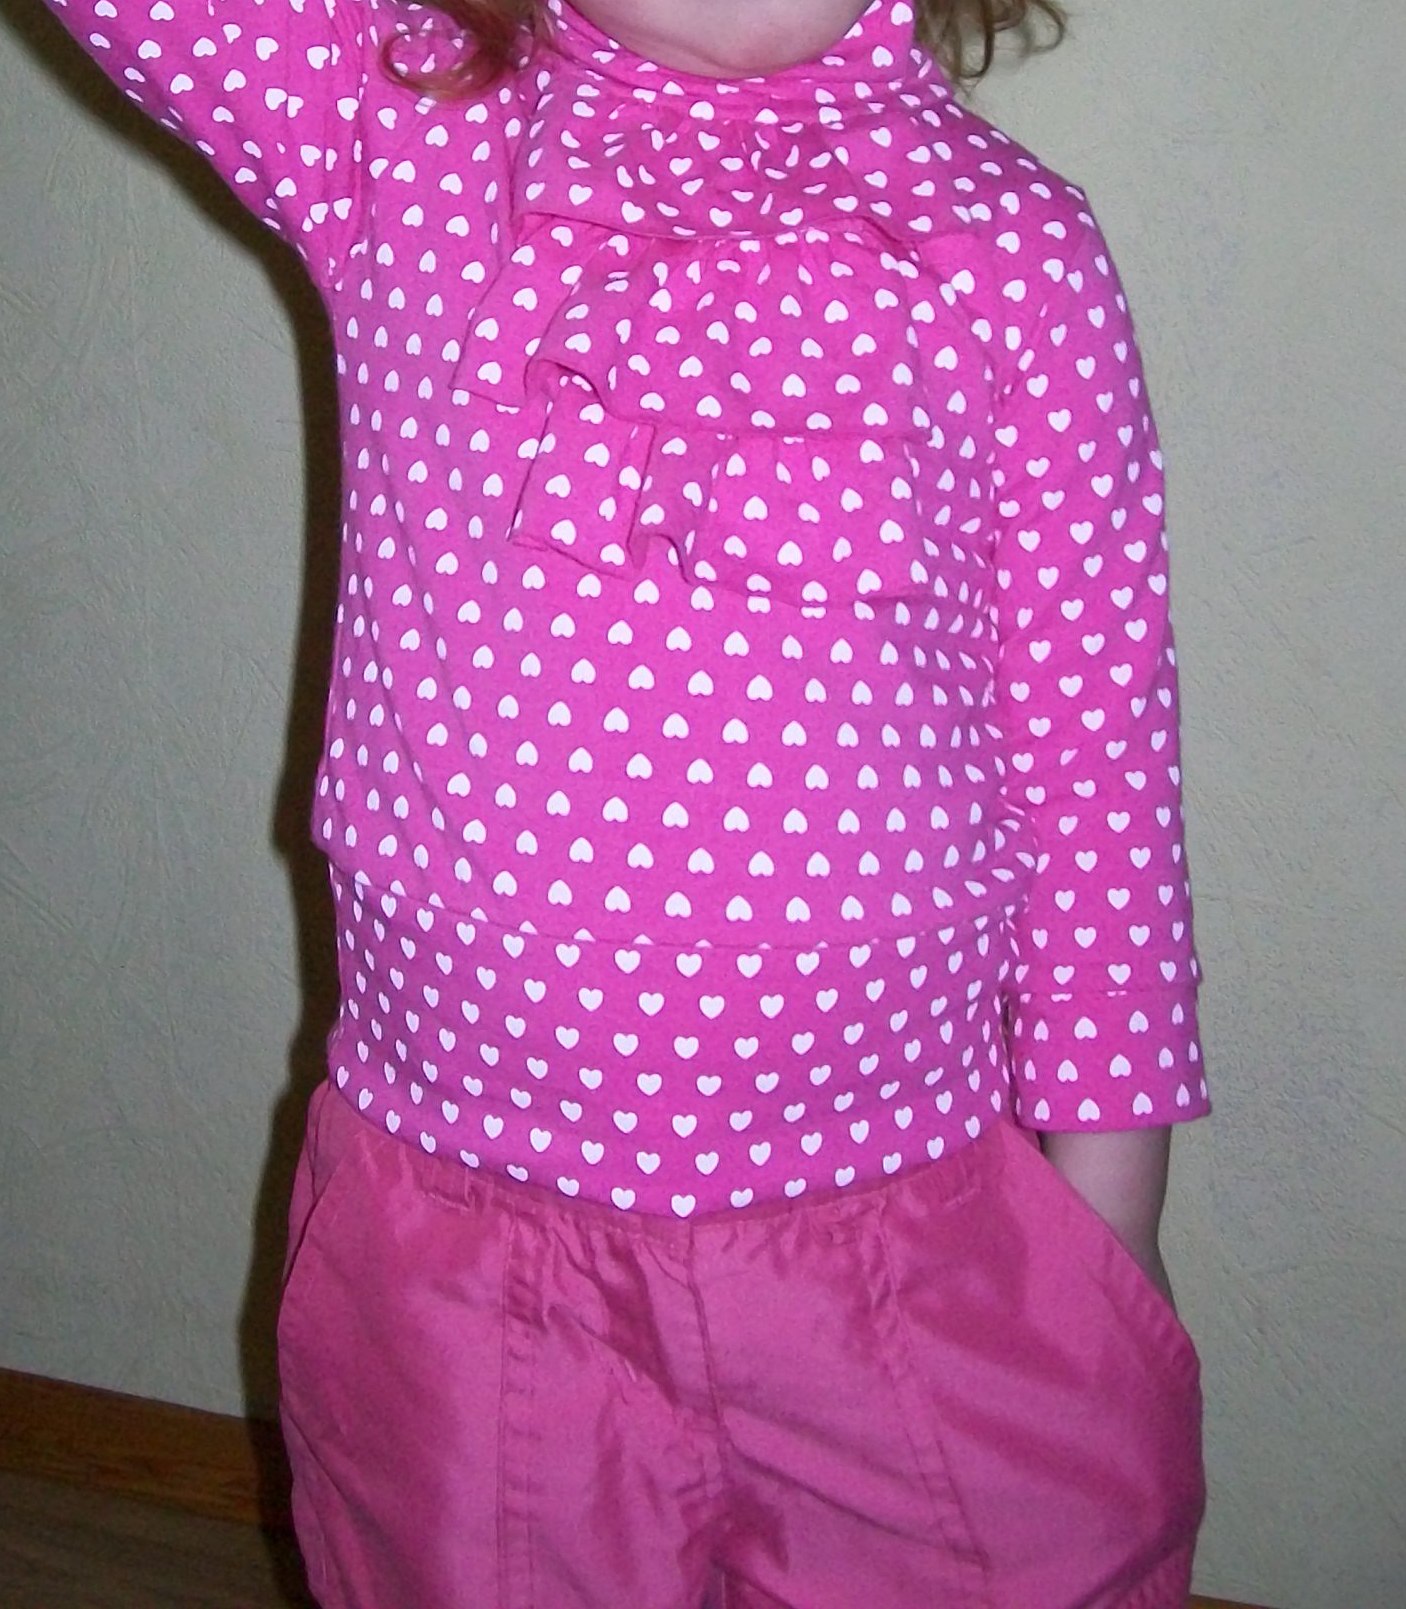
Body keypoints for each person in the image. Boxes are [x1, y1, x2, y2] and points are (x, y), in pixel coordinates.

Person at [36, 0, 1211, 1600]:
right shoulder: (406, 129)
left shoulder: (1010, 251)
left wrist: (1105, 1231)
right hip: (464, 1241)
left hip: (917, 1227)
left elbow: (1099, 766)